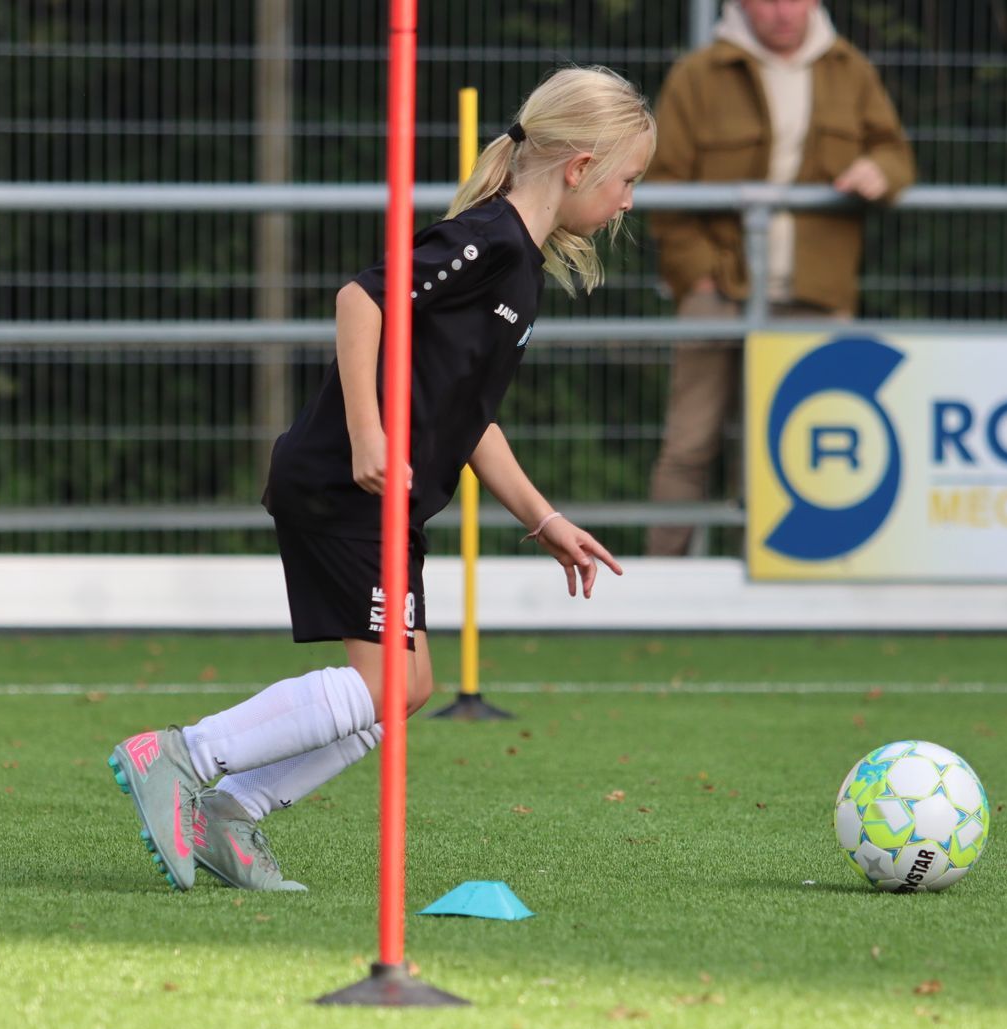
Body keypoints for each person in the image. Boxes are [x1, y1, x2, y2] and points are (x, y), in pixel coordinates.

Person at [105, 67, 653, 890]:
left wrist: (544, 520)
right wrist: (367, 432)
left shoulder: (522, 270)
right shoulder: (489, 239)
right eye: (627, 180)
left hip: (389, 504)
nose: (628, 202)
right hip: (346, 485)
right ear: (579, 167)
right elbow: (363, 301)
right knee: (387, 682)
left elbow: (471, 420)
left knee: (409, 687)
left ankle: (230, 811)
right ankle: (180, 755)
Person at [643, 0, 913, 556]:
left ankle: (776, 575)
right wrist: (697, 275)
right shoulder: (698, 75)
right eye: (766, 0)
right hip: (719, 289)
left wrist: (878, 172)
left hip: (816, 294)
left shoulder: (850, 70)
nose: (782, 12)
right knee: (689, 444)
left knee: (791, 448)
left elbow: (895, 153)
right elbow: (660, 183)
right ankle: (660, 577)